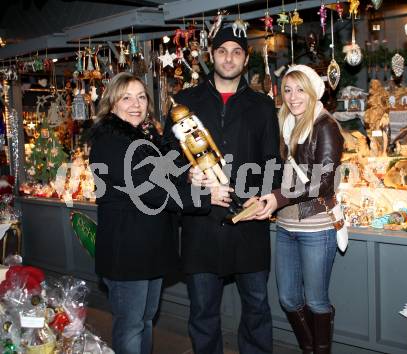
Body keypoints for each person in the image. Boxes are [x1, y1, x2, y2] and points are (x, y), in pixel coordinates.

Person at [88, 72, 227, 354]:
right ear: (111, 103)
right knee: (131, 324)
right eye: (126, 97)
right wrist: (206, 195)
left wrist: (189, 177)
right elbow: (147, 190)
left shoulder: (143, 136)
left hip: (149, 247)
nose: (135, 103)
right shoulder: (109, 141)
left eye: (141, 96)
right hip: (126, 251)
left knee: (146, 319)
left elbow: (163, 175)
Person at [163, 27, 281, 354]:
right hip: (202, 225)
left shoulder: (261, 105)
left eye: (237, 52)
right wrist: (187, 173)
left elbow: (273, 161)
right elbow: (167, 161)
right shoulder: (185, 103)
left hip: (250, 222)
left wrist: (268, 196)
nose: (229, 57)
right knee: (203, 313)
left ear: (245, 59)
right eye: (222, 51)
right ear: (211, 55)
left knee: (257, 310)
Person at [251, 65, 344, 354]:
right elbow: (276, 170)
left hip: (316, 227)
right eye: (288, 90)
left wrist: (278, 198)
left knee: (316, 301)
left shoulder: (325, 126)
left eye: (300, 89)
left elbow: (324, 182)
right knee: (289, 299)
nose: (293, 97)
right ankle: (309, 348)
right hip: (287, 226)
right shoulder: (286, 125)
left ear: (314, 91)